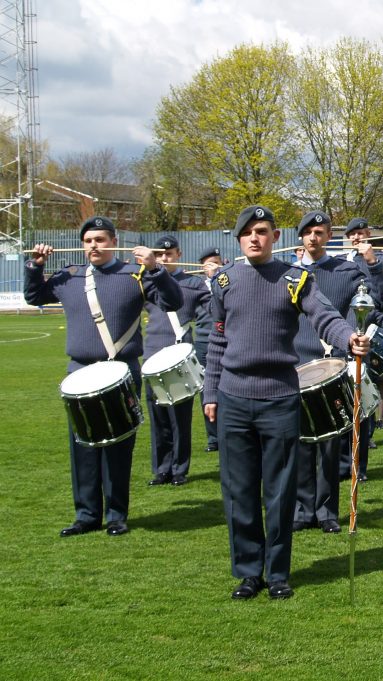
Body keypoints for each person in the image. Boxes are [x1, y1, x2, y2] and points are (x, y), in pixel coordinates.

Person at [203, 205, 369, 600]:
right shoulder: (224, 281)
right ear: (239, 239)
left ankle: (277, 573)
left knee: (279, 491)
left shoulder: (295, 279)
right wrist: (210, 393)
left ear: (276, 237)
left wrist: (349, 338)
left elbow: (325, 317)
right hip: (233, 398)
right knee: (239, 490)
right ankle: (248, 572)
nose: (254, 238)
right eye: (247, 233)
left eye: (262, 231)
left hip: (279, 397)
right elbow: (216, 341)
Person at [24, 216, 183, 537]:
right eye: (88, 241)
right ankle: (86, 515)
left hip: (121, 372)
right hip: (80, 373)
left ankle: (116, 514)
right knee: (82, 445)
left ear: (113, 241)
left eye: (100, 239)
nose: (94, 246)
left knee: (118, 445)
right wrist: (35, 265)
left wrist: (155, 269)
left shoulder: (134, 275)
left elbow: (173, 301)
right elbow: (35, 296)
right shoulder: (70, 277)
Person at [291, 210, 383, 533]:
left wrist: (373, 265)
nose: (313, 238)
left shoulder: (346, 271)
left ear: (329, 235)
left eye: (320, 232)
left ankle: (326, 511)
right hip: (296, 363)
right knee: (301, 441)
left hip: (333, 363)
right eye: (308, 232)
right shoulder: (288, 274)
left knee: (331, 442)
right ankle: (302, 509)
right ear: (301, 237)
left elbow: (375, 302)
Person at [143, 235, 211, 487]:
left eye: (168, 254)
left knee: (179, 418)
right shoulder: (147, 282)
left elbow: (214, 310)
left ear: (178, 255)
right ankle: (161, 468)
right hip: (151, 355)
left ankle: (179, 468)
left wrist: (214, 282)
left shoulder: (192, 283)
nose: (163, 259)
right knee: (158, 417)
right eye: (159, 255)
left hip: (179, 357)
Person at [343, 217, 383, 433]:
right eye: (352, 234)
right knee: (353, 379)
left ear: (368, 235)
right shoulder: (345, 261)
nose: (355, 237)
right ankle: (356, 428)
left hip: (376, 325)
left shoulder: (380, 257)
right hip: (351, 325)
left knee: (374, 377)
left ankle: (370, 428)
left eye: (360, 233)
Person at [193, 246, 223, 452]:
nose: (211, 265)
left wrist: (217, 278)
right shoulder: (198, 286)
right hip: (204, 341)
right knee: (207, 389)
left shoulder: (226, 281)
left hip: (225, 341)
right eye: (208, 263)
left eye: (216, 261)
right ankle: (213, 437)